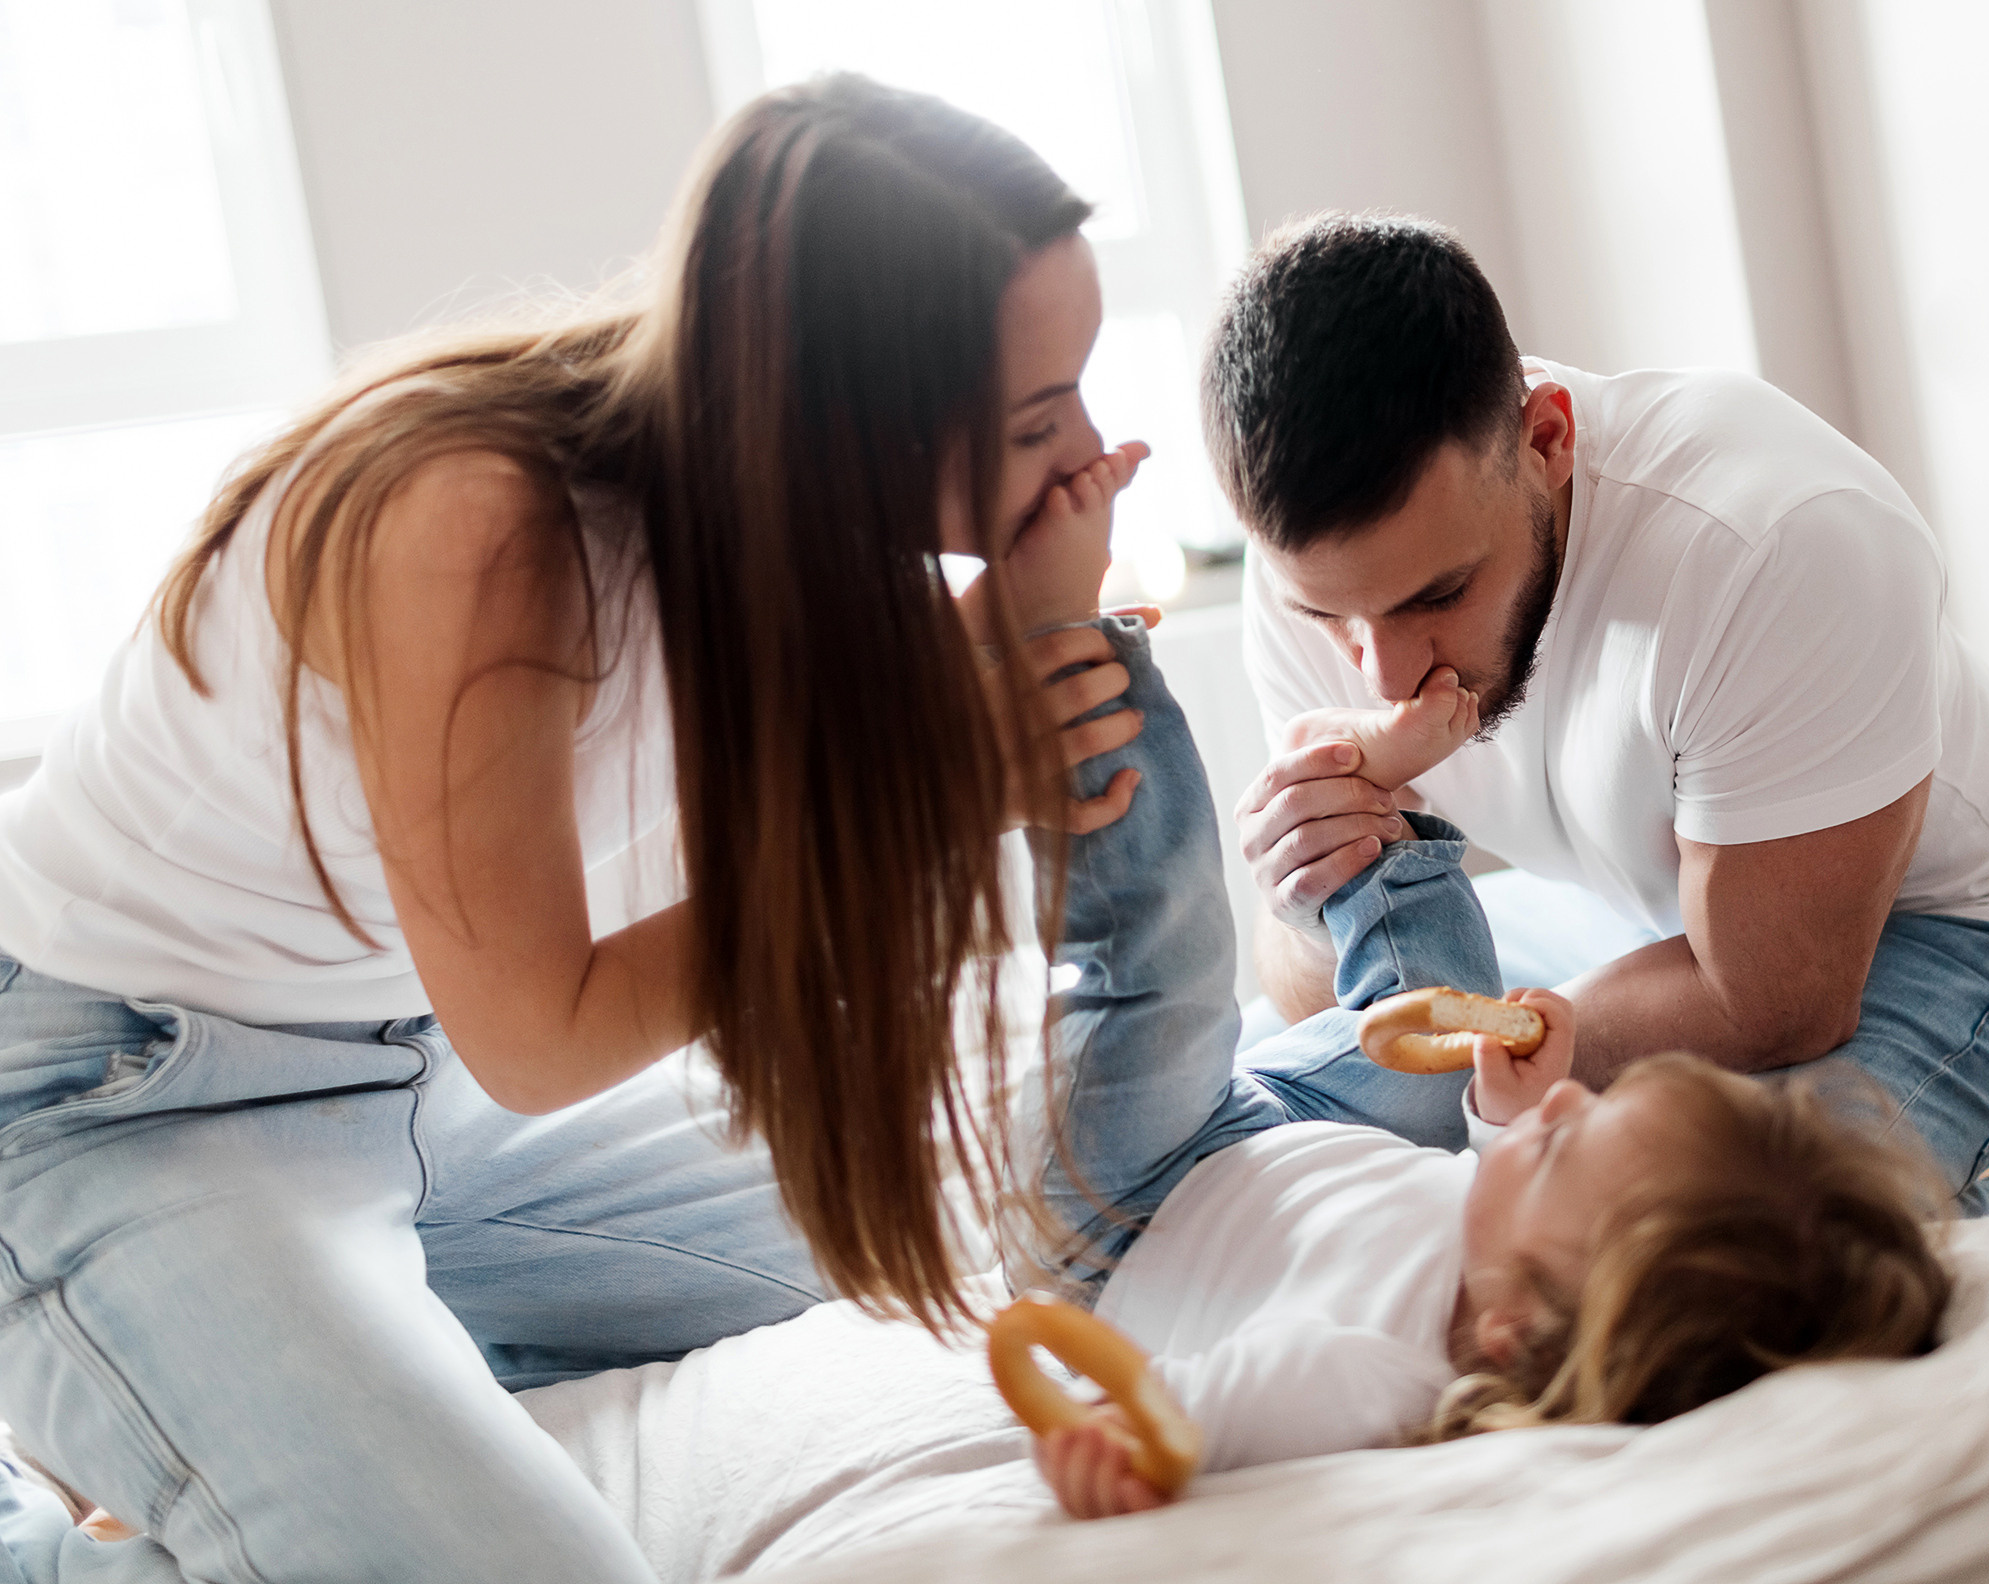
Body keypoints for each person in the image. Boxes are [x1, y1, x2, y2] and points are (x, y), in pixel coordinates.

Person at [0, 76, 1152, 1583]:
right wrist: (948, 771)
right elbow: (543, 1036)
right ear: (842, 411)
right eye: (1033, 415)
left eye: (1079, 385)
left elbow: (899, 754)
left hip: (404, 1066)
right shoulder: (472, 525)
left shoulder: (769, 514)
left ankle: (263, 1374)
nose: (1088, 442)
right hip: (117, 1099)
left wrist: (1023, 611)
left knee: (953, 1225)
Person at [1207, 212, 1989, 1216]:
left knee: (1673, 1261)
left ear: (1547, 438)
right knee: (1240, 1136)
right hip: (1630, 912)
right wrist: (1304, 895)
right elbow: (1335, 1006)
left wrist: (1484, 1081)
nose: (1381, 672)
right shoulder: (1312, 568)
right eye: (1329, 616)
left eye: (1438, 596)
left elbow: (1774, 1002)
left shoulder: (1774, 540)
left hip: (1961, 930)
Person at [998, 601, 1950, 1521]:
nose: (1569, 1105)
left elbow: (1189, 1405)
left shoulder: (1362, 1375)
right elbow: (1484, 1208)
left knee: (1169, 973)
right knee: (1449, 1041)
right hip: (1281, 1138)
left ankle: (1080, 665)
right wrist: (1504, 1128)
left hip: (1125, 1214)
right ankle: (1363, 816)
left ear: (1508, 1331)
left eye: (1554, 1150)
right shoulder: (1518, 1273)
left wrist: (1108, 1444)